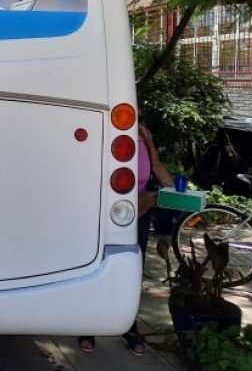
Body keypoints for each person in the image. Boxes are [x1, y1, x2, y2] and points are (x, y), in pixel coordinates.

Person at [78, 122, 174, 357]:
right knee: (98, 266)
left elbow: (157, 166)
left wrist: (175, 191)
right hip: (106, 212)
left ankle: (129, 326)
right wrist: (136, 201)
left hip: (139, 215)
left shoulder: (143, 132)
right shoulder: (104, 128)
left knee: (132, 271)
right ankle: (88, 326)